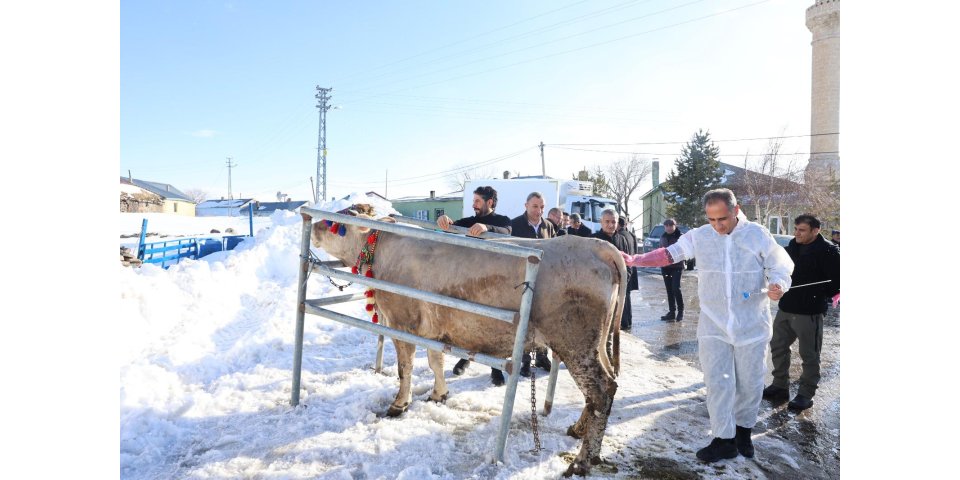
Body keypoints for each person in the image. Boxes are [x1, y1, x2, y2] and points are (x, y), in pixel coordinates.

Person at [621, 188, 794, 463]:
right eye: (711, 219)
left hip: (751, 325)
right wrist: (636, 260)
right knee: (717, 383)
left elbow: (780, 264)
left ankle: (743, 432)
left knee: (750, 383)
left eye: (722, 219)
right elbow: (671, 254)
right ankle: (723, 439)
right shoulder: (700, 235)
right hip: (714, 324)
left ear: (736, 210)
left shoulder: (756, 234)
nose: (717, 226)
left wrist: (778, 284)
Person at [762, 214, 840, 411]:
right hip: (786, 308)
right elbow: (777, 272)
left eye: (802, 230)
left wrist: (820, 293)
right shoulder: (789, 249)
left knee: (809, 355)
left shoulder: (829, 252)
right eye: (796, 229)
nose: (797, 233)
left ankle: (806, 394)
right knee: (778, 347)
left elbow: (837, 282)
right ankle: (780, 385)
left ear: (815, 230)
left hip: (809, 312)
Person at [437, 186, 512, 386]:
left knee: (493, 325)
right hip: (472, 282)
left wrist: (487, 228)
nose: (474, 205)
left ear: (490, 202)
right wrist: (444, 220)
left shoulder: (502, 220)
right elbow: (452, 225)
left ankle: (496, 367)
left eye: (478, 201)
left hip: (495, 284)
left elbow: (506, 231)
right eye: (474, 201)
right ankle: (466, 357)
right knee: (471, 322)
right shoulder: (470, 221)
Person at [510, 192, 556, 377]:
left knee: (543, 318)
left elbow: (553, 250)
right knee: (525, 320)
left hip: (544, 281)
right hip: (522, 280)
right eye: (535, 206)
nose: (539, 210)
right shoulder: (514, 225)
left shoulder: (548, 226)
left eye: (542, 207)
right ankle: (525, 359)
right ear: (526, 206)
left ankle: (542, 355)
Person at [594, 209, 634, 331]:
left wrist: (623, 280)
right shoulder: (593, 240)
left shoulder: (622, 239)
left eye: (613, 222)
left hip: (617, 287)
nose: (610, 225)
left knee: (614, 322)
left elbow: (628, 263)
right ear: (601, 222)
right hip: (598, 289)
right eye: (607, 221)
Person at [659, 219, 685, 322]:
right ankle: (672, 312)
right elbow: (660, 251)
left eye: (671, 225)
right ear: (664, 227)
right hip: (666, 267)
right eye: (667, 225)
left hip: (677, 267)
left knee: (676, 288)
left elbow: (684, 250)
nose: (669, 227)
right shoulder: (663, 237)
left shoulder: (680, 237)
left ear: (675, 225)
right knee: (669, 290)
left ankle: (680, 311)